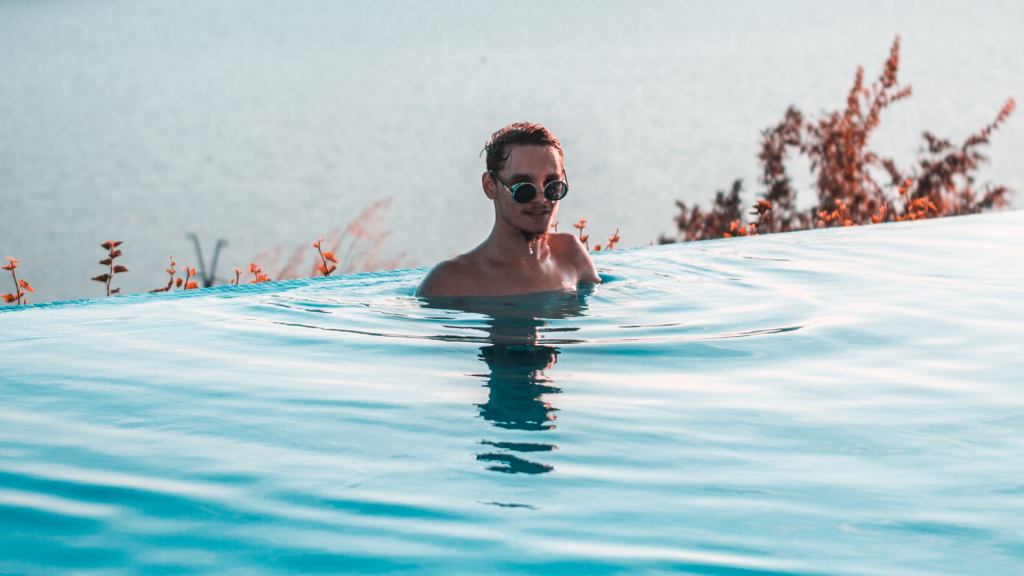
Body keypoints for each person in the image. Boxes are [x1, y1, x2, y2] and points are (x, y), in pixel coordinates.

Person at [416, 122, 601, 297]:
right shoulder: (450, 282)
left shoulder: (571, 256)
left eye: (552, 185)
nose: (541, 198)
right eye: (523, 188)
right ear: (490, 186)